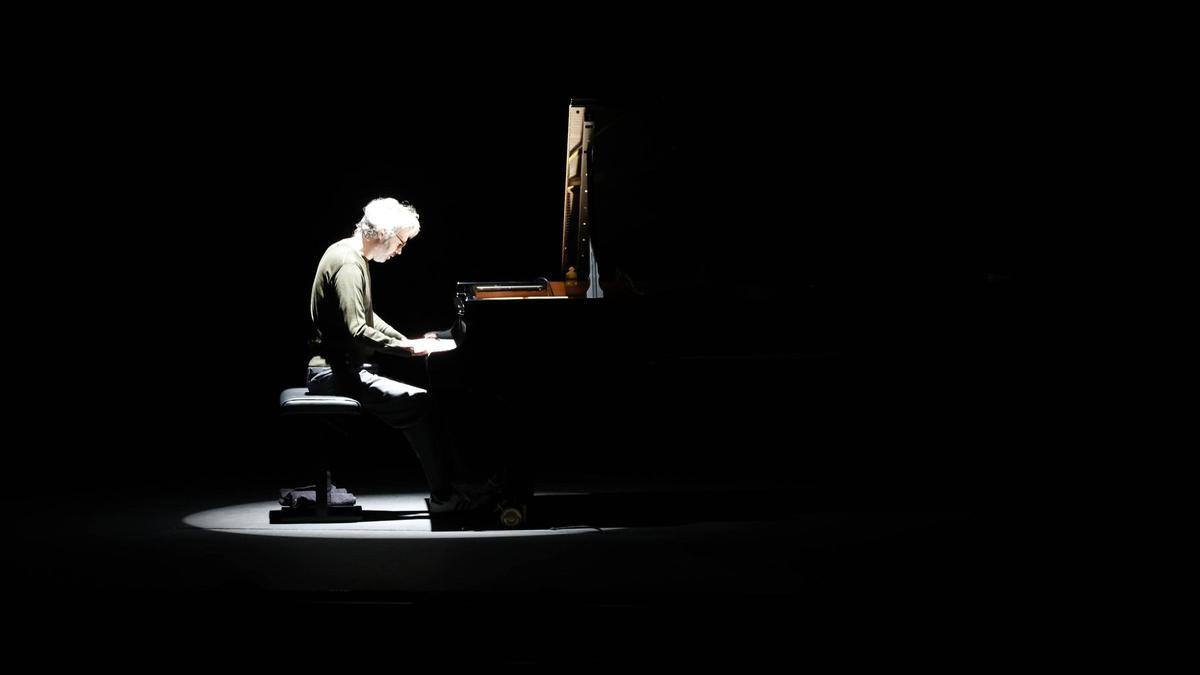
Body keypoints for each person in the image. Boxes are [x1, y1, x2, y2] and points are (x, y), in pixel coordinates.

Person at [306, 197, 494, 512]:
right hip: (332, 375)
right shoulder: (349, 263)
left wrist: (407, 340)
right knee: (422, 403)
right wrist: (407, 349)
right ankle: (445, 497)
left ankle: (456, 487)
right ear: (382, 233)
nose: (400, 250)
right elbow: (357, 330)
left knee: (426, 403)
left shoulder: (349, 254)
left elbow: (368, 316)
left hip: (343, 370)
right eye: (400, 242)